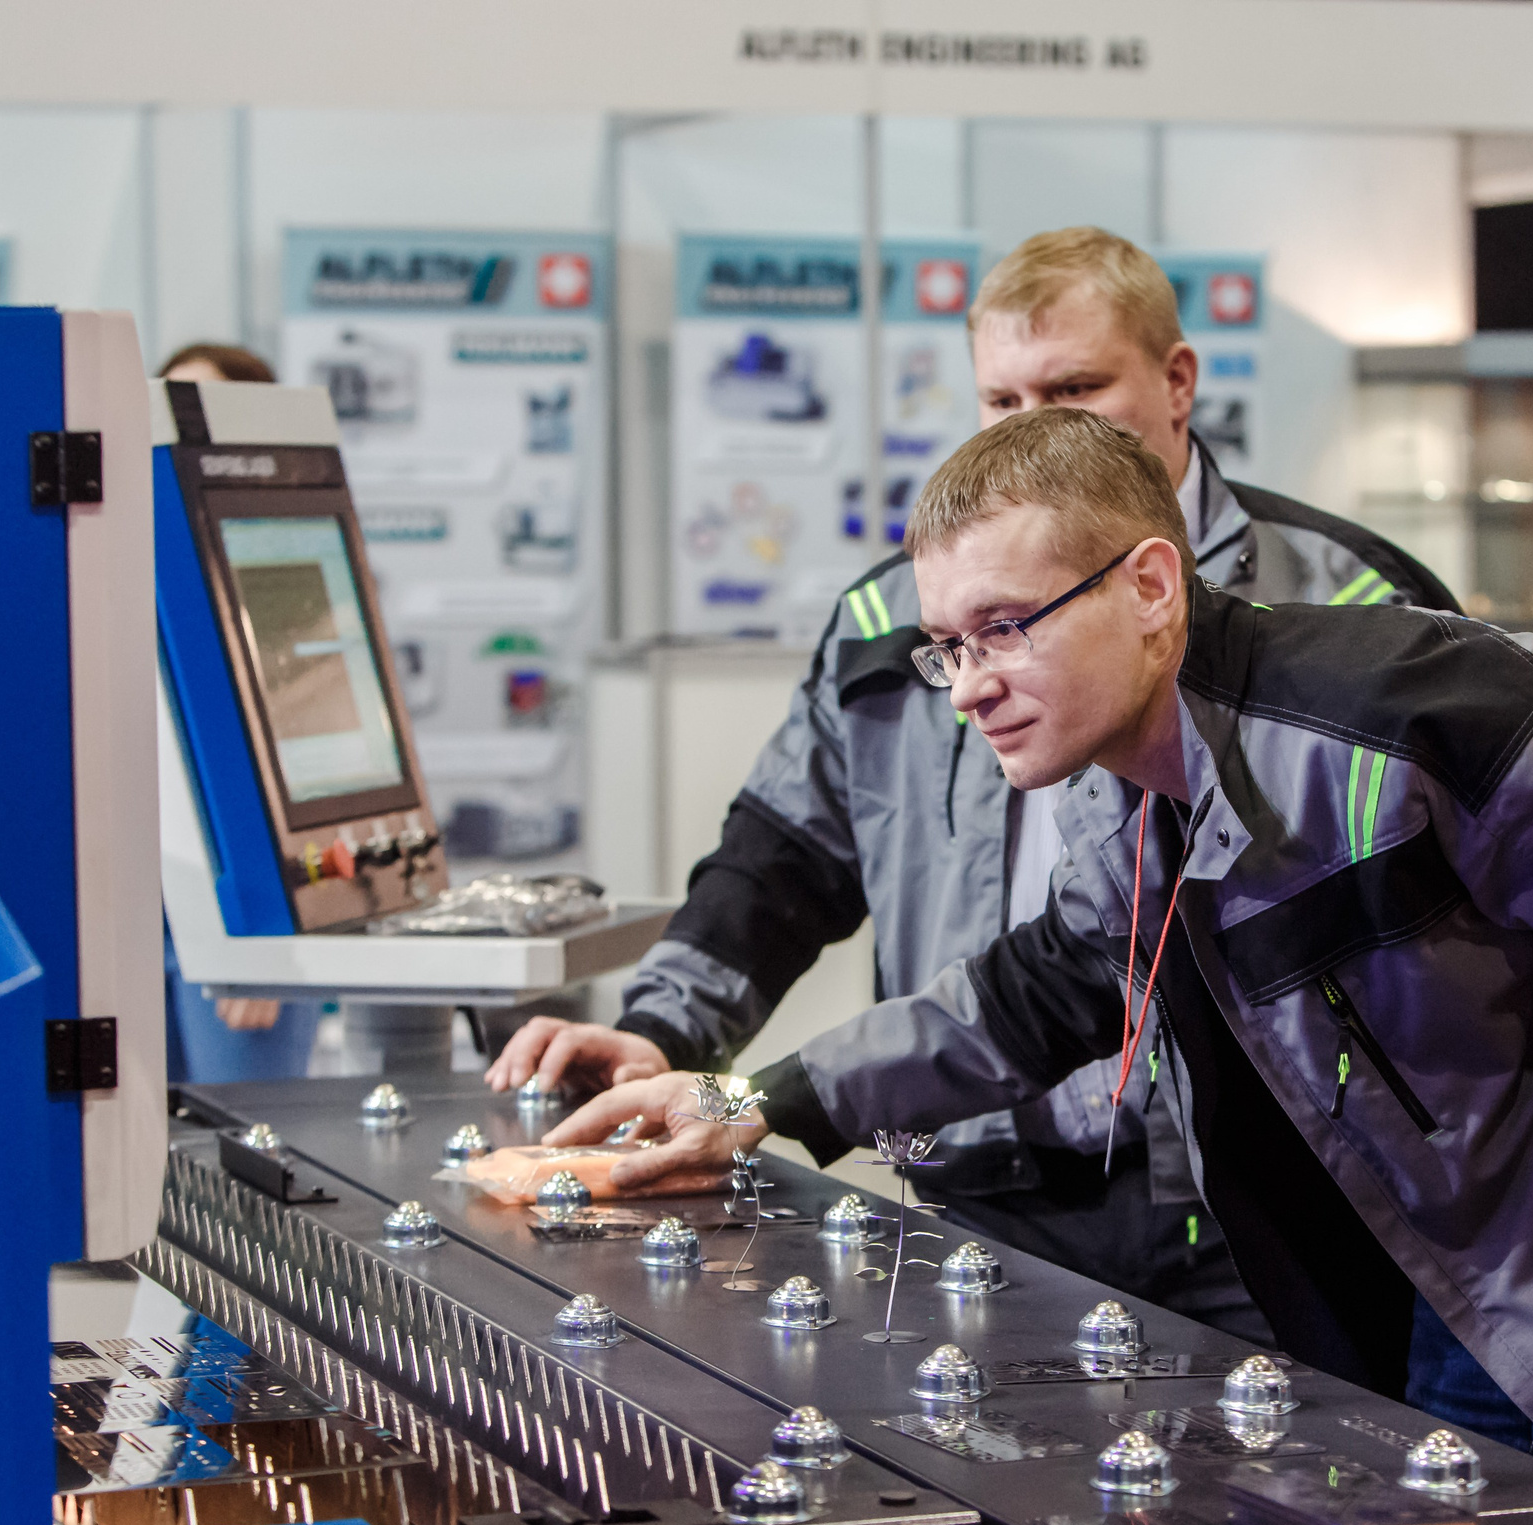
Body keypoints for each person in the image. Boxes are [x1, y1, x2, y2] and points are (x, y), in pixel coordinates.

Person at [537, 409, 1533, 1525]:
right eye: (948, 644)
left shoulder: (1424, 717)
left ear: (1151, 584)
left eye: (1006, 628)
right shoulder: (1119, 789)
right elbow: (1033, 993)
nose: (969, 686)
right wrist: (747, 1098)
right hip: (1447, 1319)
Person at [487, 228, 1457, 1343]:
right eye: (1001, 399)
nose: (1037, 426)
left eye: (1075, 387)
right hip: (979, 1173)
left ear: (1177, 382)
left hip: (1266, 1204)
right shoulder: (891, 617)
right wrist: (668, 1039)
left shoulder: (1349, 598)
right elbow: (785, 860)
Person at [157, 340, 321, 1083]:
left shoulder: (280, 567)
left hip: (241, 913)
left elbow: (307, 762)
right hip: (140, 905)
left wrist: (266, 942)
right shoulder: (122, 555)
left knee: (246, 1148)